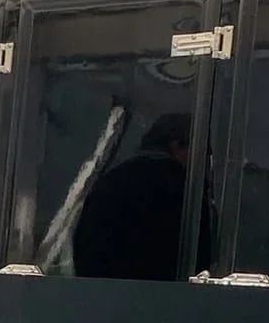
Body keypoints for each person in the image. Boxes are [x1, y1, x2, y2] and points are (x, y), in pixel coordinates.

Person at [72, 113, 214, 281]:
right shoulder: (184, 189)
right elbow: (201, 254)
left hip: (99, 293)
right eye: (205, 152)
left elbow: (83, 247)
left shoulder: (112, 180)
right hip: (165, 296)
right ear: (175, 146)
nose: (205, 162)